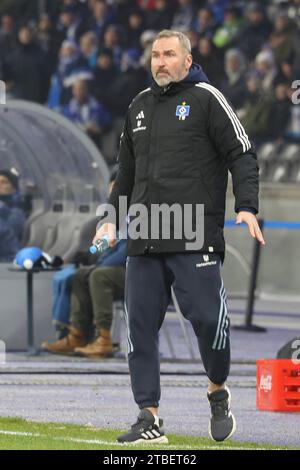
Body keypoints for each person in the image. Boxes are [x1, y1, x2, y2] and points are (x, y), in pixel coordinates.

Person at [93, 30, 265, 445]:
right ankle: (147, 415)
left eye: (170, 54)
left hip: (194, 233)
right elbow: (126, 175)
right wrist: (111, 218)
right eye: (155, 54)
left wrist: (247, 205)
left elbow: (241, 152)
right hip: (147, 234)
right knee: (139, 326)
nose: (161, 61)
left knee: (208, 320)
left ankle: (217, 388)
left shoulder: (208, 98)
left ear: (187, 61)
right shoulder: (138, 107)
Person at [0, 169, 26, 262]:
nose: (0, 185)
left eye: (4, 182)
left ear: (14, 188)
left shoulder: (16, 214)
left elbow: (7, 239)